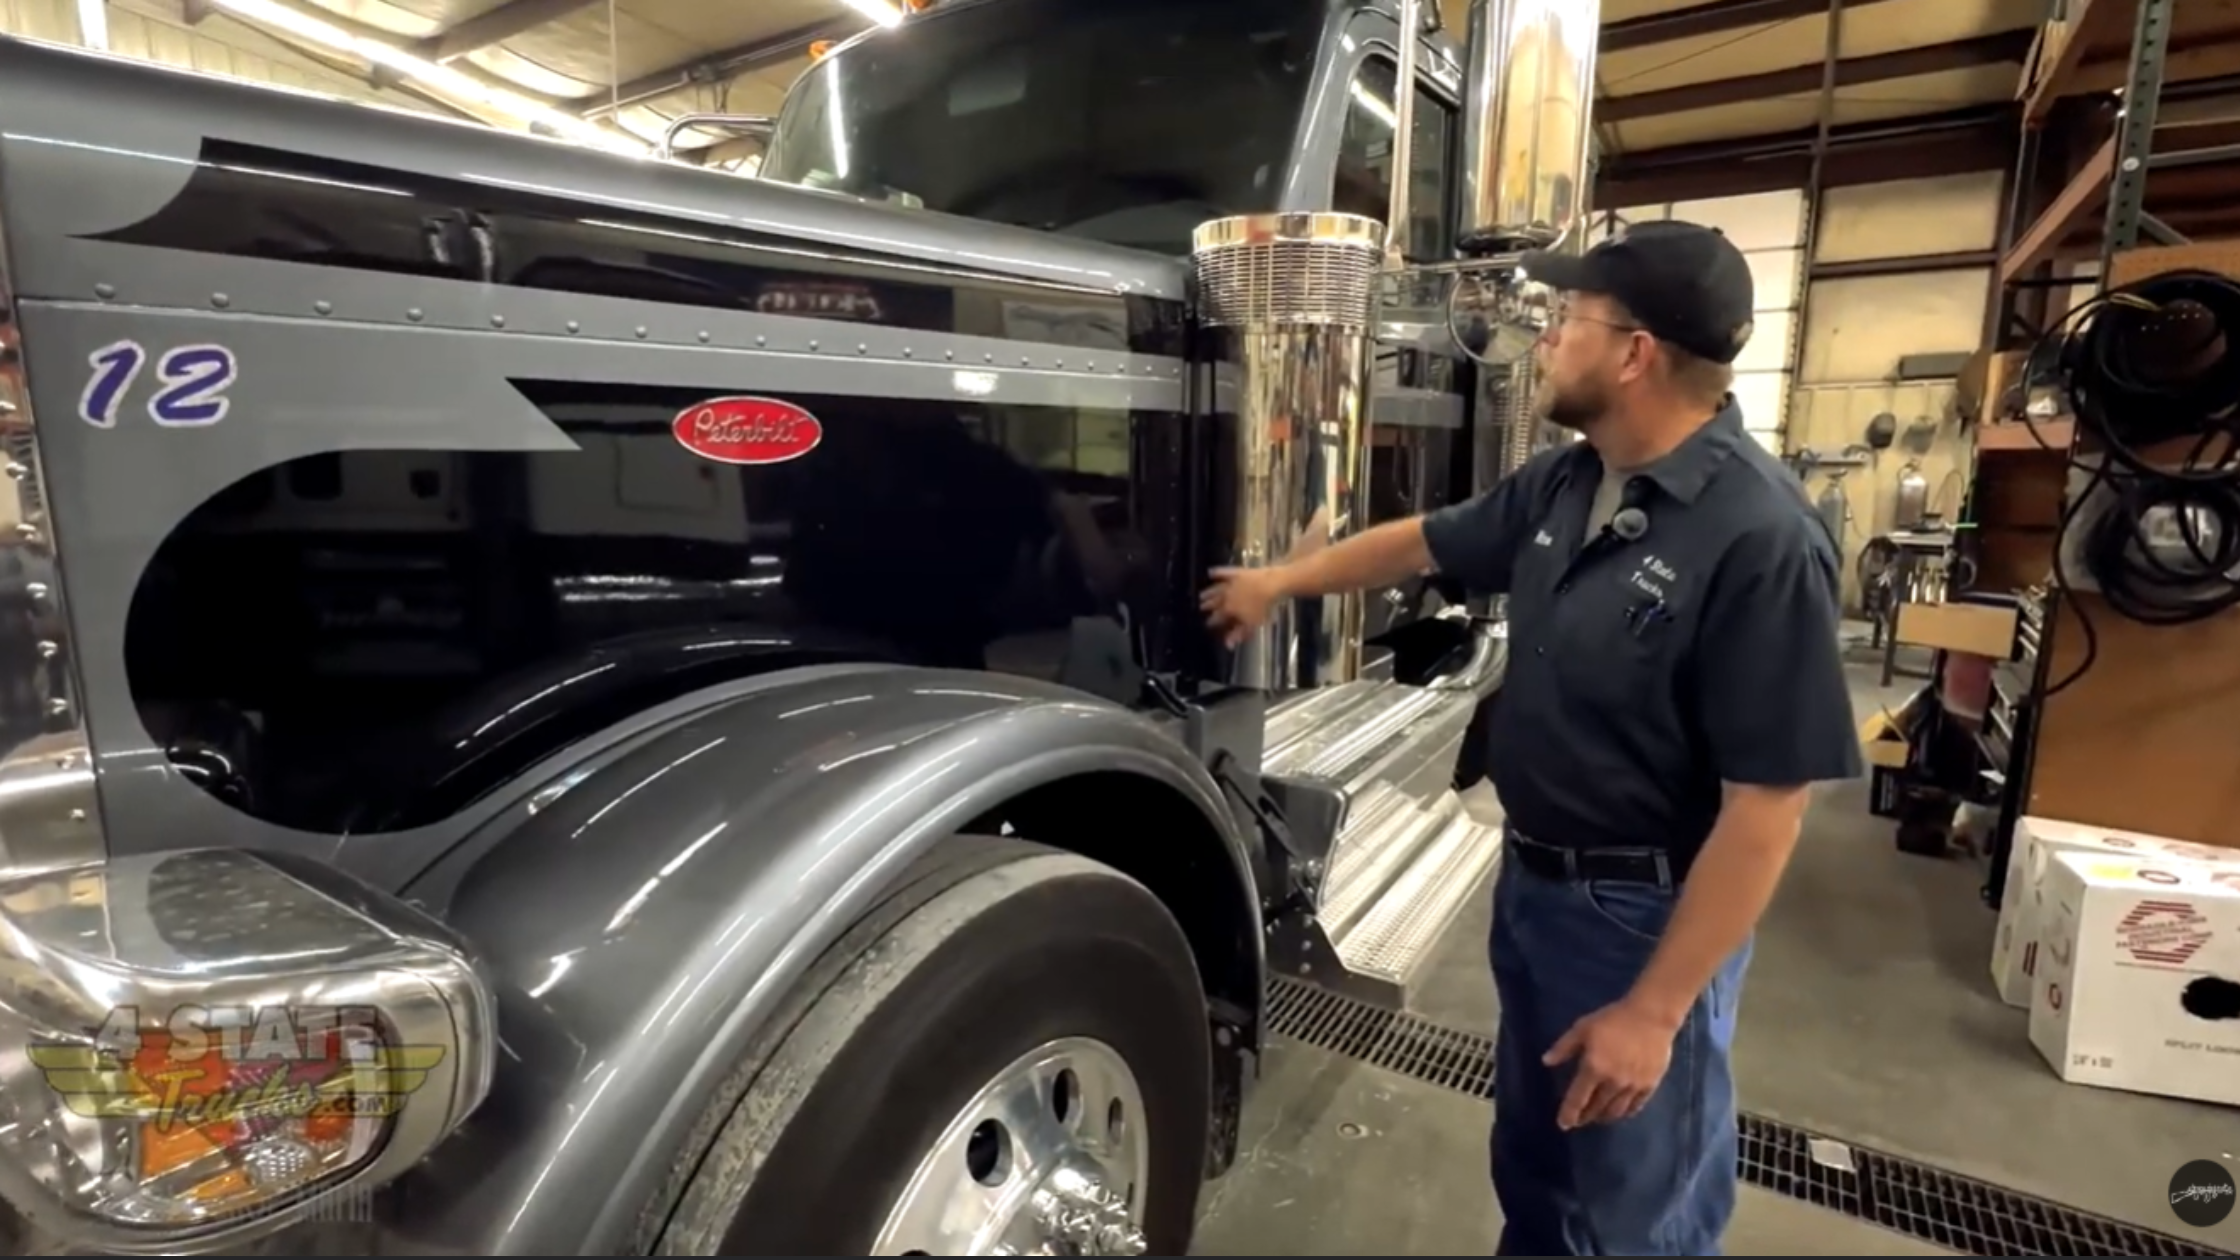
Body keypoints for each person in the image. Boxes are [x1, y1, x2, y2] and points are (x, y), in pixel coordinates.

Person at [1200, 220, 1861, 1255]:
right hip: (1536, 890)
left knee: (1630, 1213)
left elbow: (1766, 808)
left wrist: (1652, 1012)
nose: (1543, 341)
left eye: (1563, 320)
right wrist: (1282, 581)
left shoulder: (1759, 538)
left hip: (1644, 917)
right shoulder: (1569, 480)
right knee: (1539, 1175)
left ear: (1632, 352)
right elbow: (1425, 540)